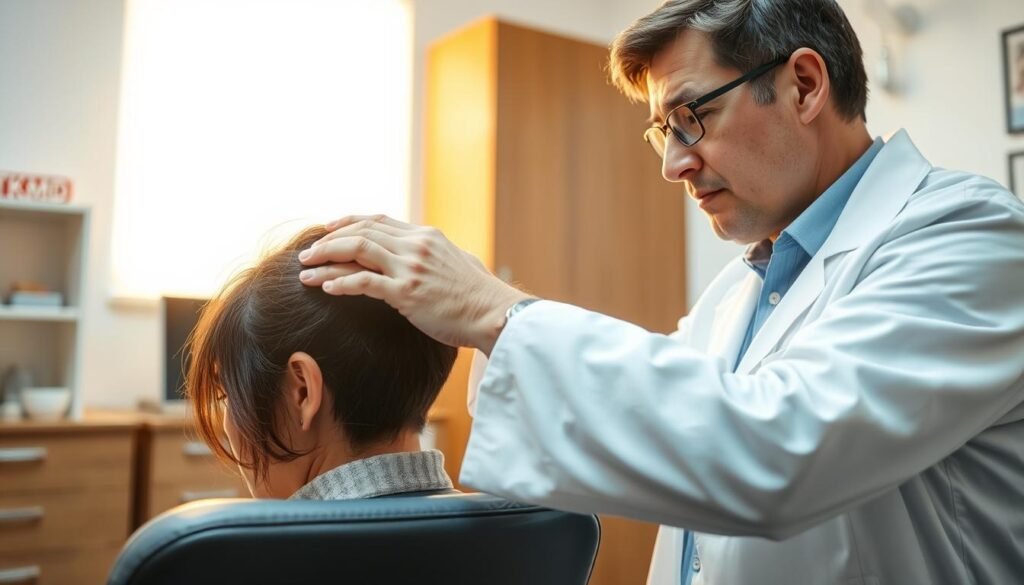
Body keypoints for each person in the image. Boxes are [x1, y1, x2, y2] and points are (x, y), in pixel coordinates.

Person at [296, 0, 1024, 582]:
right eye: (662, 132)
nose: (674, 165)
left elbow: (780, 452)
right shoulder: (734, 298)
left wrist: (494, 311)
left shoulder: (969, 234)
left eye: (689, 118)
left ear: (804, 84)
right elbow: (658, 434)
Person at [187, 226, 458, 500]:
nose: (227, 424)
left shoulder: (223, 541)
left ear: (302, 391)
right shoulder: (495, 527)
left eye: (228, 395)